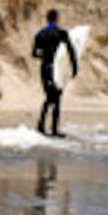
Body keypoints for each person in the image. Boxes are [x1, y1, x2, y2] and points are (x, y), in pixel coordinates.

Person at [32, 9, 77, 137]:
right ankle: (54, 129)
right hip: (57, 69)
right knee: (56, 98)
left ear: (47, 19)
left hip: (45, 67)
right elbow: (71, 51)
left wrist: (44, 55)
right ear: (57, 19)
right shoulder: (62, 33)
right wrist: (74, 68)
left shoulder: (40, 34)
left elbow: (34, 53)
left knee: (49, 96)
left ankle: (41, 126)